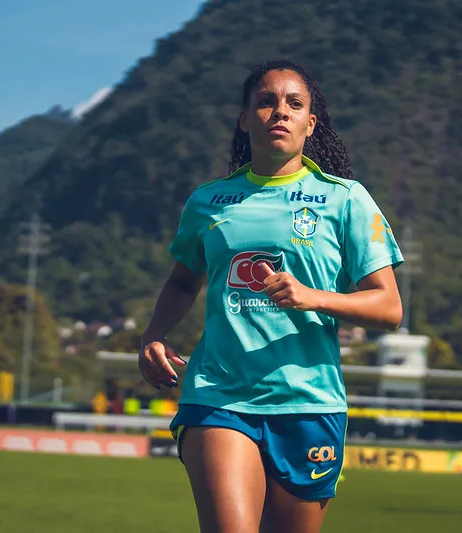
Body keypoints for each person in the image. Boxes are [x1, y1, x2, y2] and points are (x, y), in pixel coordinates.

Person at [138, 59, 404, 533]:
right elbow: (182, 281)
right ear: (245, 119)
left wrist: (313, 297)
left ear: (310, 123)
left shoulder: (346, 199)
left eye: (294, 104)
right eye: (266, 101)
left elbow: (388, 308)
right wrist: (154, 334)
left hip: (310, 402)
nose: (279, 111)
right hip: (219, 395)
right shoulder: (208, 201)